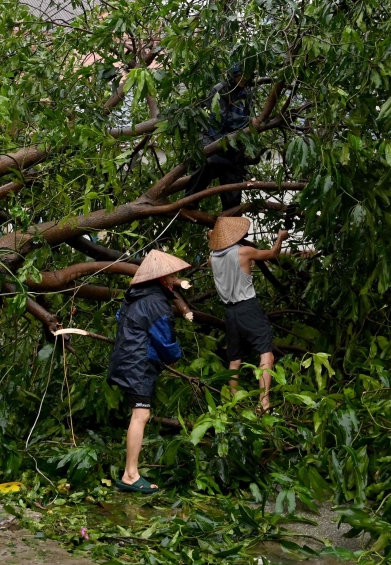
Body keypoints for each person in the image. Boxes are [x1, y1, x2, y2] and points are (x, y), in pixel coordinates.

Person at [108, 249, 190, 494]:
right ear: (162, 279)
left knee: (139, 414)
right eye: (173, 276)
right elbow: (164, 339)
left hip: (127, 358)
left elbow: (120, 316)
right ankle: (131, 474)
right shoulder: (156, 302)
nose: (175, 279)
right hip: (138, 363)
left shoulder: (136, 295)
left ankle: (130, 472)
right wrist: (175, 357)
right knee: (141, 415)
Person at [209, 217, 287, 413]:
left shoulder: (212, 258)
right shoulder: (242, 252)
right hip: (248, 307)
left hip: (230, 312)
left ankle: (235, 404)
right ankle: (264, 403)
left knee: (234, 359)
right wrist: (280, 238)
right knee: (266, 353)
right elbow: (272, 254)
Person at [183, 65, 254, 211]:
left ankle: (231, 223)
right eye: (240, 75)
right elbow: (221, 119)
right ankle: (189, 202)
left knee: (234, 180)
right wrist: (249, 121)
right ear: (233, 75)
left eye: (247, 75)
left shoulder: (246, 94)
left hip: (235, 145)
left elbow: (250, 119)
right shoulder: (220, 90)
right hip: (214, 138)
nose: (244, 78)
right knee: (208, 163)